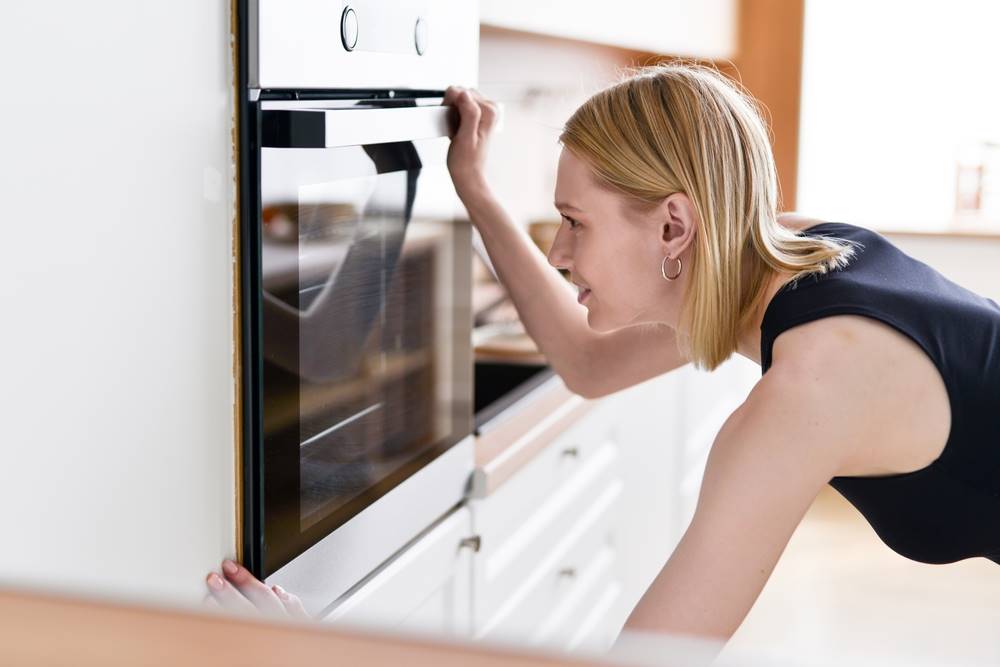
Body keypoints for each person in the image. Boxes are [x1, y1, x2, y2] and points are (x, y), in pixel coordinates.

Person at [208, 63, 1000, 647]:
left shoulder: (808, 392)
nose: (558, 251)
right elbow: (586, 361)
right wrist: (475, 189)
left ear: (673, 228)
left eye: (574, 222)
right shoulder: (789, 251)